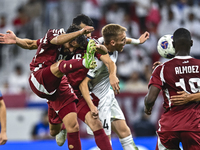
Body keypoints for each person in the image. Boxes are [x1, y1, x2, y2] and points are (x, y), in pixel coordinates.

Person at [0, 14, 114, 150]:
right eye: (83, 30)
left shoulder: (85, 43)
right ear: (75, 28)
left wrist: (96, 47)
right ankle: (84, 63)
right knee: (59, 65)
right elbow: (33, 43)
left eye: (88, 32)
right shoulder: (55, 34)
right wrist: (17, 40)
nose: (85, 35)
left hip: (63, 86)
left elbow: (106, 51)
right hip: (40, 79)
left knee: (73, 126)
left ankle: (63, 126)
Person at [79, 24, 149, 150]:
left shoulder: (104, 41)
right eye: (122, 40)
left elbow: (122, 42)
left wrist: (138, 41)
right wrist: (91, 106)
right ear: (112, 42)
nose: (124, 42)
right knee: (106, 143)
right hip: (99, 101)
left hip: (108, 95)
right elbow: (83, 84)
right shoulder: (97, 62)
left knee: (125, 132)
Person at [144, 28, 200, 150]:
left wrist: (147, 108)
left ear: (173, 45)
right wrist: (192, 97)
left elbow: (149, 100)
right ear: (191, 43)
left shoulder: (162, 69)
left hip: (169, 126)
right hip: (195, 125)